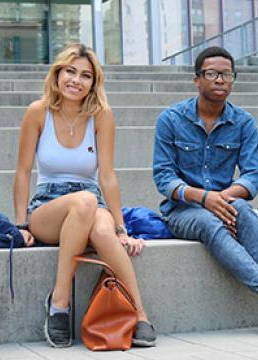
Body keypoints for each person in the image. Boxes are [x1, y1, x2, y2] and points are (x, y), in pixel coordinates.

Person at [152, 46, 258, 339]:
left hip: (227, 201)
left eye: (226, 74)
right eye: (212, 74)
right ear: (197, 79)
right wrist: (205, 198)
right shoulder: (171, 119)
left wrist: (224, 197)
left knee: (244, 211)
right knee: (209, 222)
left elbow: (253, 174)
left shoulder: (242, 121)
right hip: (183, 210)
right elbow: (164, 177)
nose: (220, 80)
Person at [13, 43, 156, 348]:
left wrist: (121, 228)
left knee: (102, 227)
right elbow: (23, 171)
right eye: (70, 72)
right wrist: (21, 224)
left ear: (94, 82)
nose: (76, 80)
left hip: (91, 199)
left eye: (85, 75)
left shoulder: (100, 115)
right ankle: (60, 300)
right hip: (48, 206)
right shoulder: (38, 112)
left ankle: (140, 314)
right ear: (58, 74)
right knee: (85, 202)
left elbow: (107, 175)